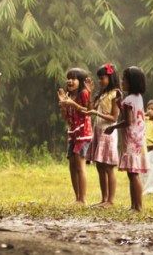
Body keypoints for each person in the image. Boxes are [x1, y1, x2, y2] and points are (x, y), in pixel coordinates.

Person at [64, 63, 121, 207]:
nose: (100, 81)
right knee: (100, 166)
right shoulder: (101, 94)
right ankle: (104, 199)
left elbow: (114, 117)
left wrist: (91, 107)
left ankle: (109, 201)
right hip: (98, 131)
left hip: (107, 132)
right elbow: (89, 108)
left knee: (108, 167)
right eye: (99, 78)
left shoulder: (116, 94)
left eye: (102, 78)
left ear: (111, 77)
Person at [105, 66, 148, 211]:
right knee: (133, 174)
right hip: (138, 140)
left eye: (124, 79)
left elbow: (128, 121)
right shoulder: (137, 98)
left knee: (133, 174)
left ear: (132, 82)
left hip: (131, 141)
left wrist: (113, 127)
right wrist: (118, 102)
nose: (122, 82)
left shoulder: (129, 99)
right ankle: (134, 205)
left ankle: (138, 207)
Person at [57, 67, 92, 204]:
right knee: (72, 165)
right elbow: (66, 118)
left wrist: (73, 104)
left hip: (83, 133)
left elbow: (88, 111)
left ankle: (82, 200)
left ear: (81, 81)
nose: (70, 81)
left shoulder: (83, 93)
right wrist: (63, 106)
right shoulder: (69, 95)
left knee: (79, 165)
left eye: (73, 78)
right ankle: (77, 198)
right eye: (68, 78)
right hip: (73, 133)